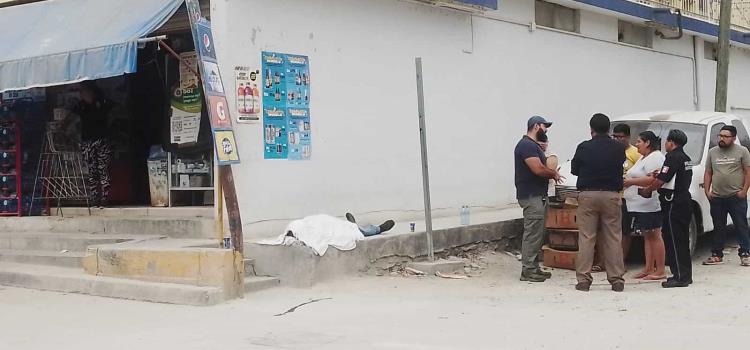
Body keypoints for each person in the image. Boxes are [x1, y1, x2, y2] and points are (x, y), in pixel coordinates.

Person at [571, 113, 626, 292]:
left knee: (587, 237)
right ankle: (616, 279)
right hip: (611, 195)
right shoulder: (618, 148)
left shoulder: (584, 147)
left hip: (588, 194)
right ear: (609, 129)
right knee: (613, 238)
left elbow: (574, 169)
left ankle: (584, 280)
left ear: (591, 129)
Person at [639, 130, 693, 288]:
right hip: (684, 200)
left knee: (674, 240)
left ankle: (680, 277)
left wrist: (647, 190)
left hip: (673, 202)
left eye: (667, 141)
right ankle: (685, 275)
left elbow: (662, 180)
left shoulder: (672, 157)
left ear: (671, 142)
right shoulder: (685, 158)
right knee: (682, 240)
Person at [514, 116, 561, 282]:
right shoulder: (526, 145)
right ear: (535, 127)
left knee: (538, 234)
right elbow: (538, 169)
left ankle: (533, 267)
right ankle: (527, 270)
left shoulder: (533, 146)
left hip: (538, 195)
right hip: (531, 196)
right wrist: (553, 173)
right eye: (544, 126)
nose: (546, 129)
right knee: (532, 234)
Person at [702, 125, 750, 266]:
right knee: (718, 226)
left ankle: (745, 253)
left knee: (740, 225)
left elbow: (748, 172)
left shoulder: (742, 151)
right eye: (720, 136)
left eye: (725, 136)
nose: (721, 139)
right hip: (717, 197)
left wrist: (744, 190)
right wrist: (707, 190)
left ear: (733, 138)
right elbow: (708, 172)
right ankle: (717, 254)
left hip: (736, 196)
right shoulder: (712, 152)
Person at [623, 131, 666, 280]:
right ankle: (648, 268)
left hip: (649, 203)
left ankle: (660, 269)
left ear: (647, 143)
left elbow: (652, 179)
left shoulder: (655, 158)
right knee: (647, 236)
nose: (636, 144)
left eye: (639, 141)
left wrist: (630, 182)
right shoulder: (643, 157)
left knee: (655, 235)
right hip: (638, 204)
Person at [73, 81, 114, 208]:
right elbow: (70, 118)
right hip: (87, 141)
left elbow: (116, 110)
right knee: (92, 170)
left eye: (82, 91)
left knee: (103, 168)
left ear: (90, 91)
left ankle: (105, 197)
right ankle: (95, 197)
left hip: (102, 140)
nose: (81, 94)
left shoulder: (102, 102)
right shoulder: (80, 106)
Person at [613, 124, 641, 264]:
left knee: (624, 231)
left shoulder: (635, 153)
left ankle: (621, 262)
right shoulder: (610, 151)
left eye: (621, 137)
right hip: (611, 196)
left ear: (628, 137)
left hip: (627, 198)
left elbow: (642, 174)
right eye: (615, 137)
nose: (618, 140)